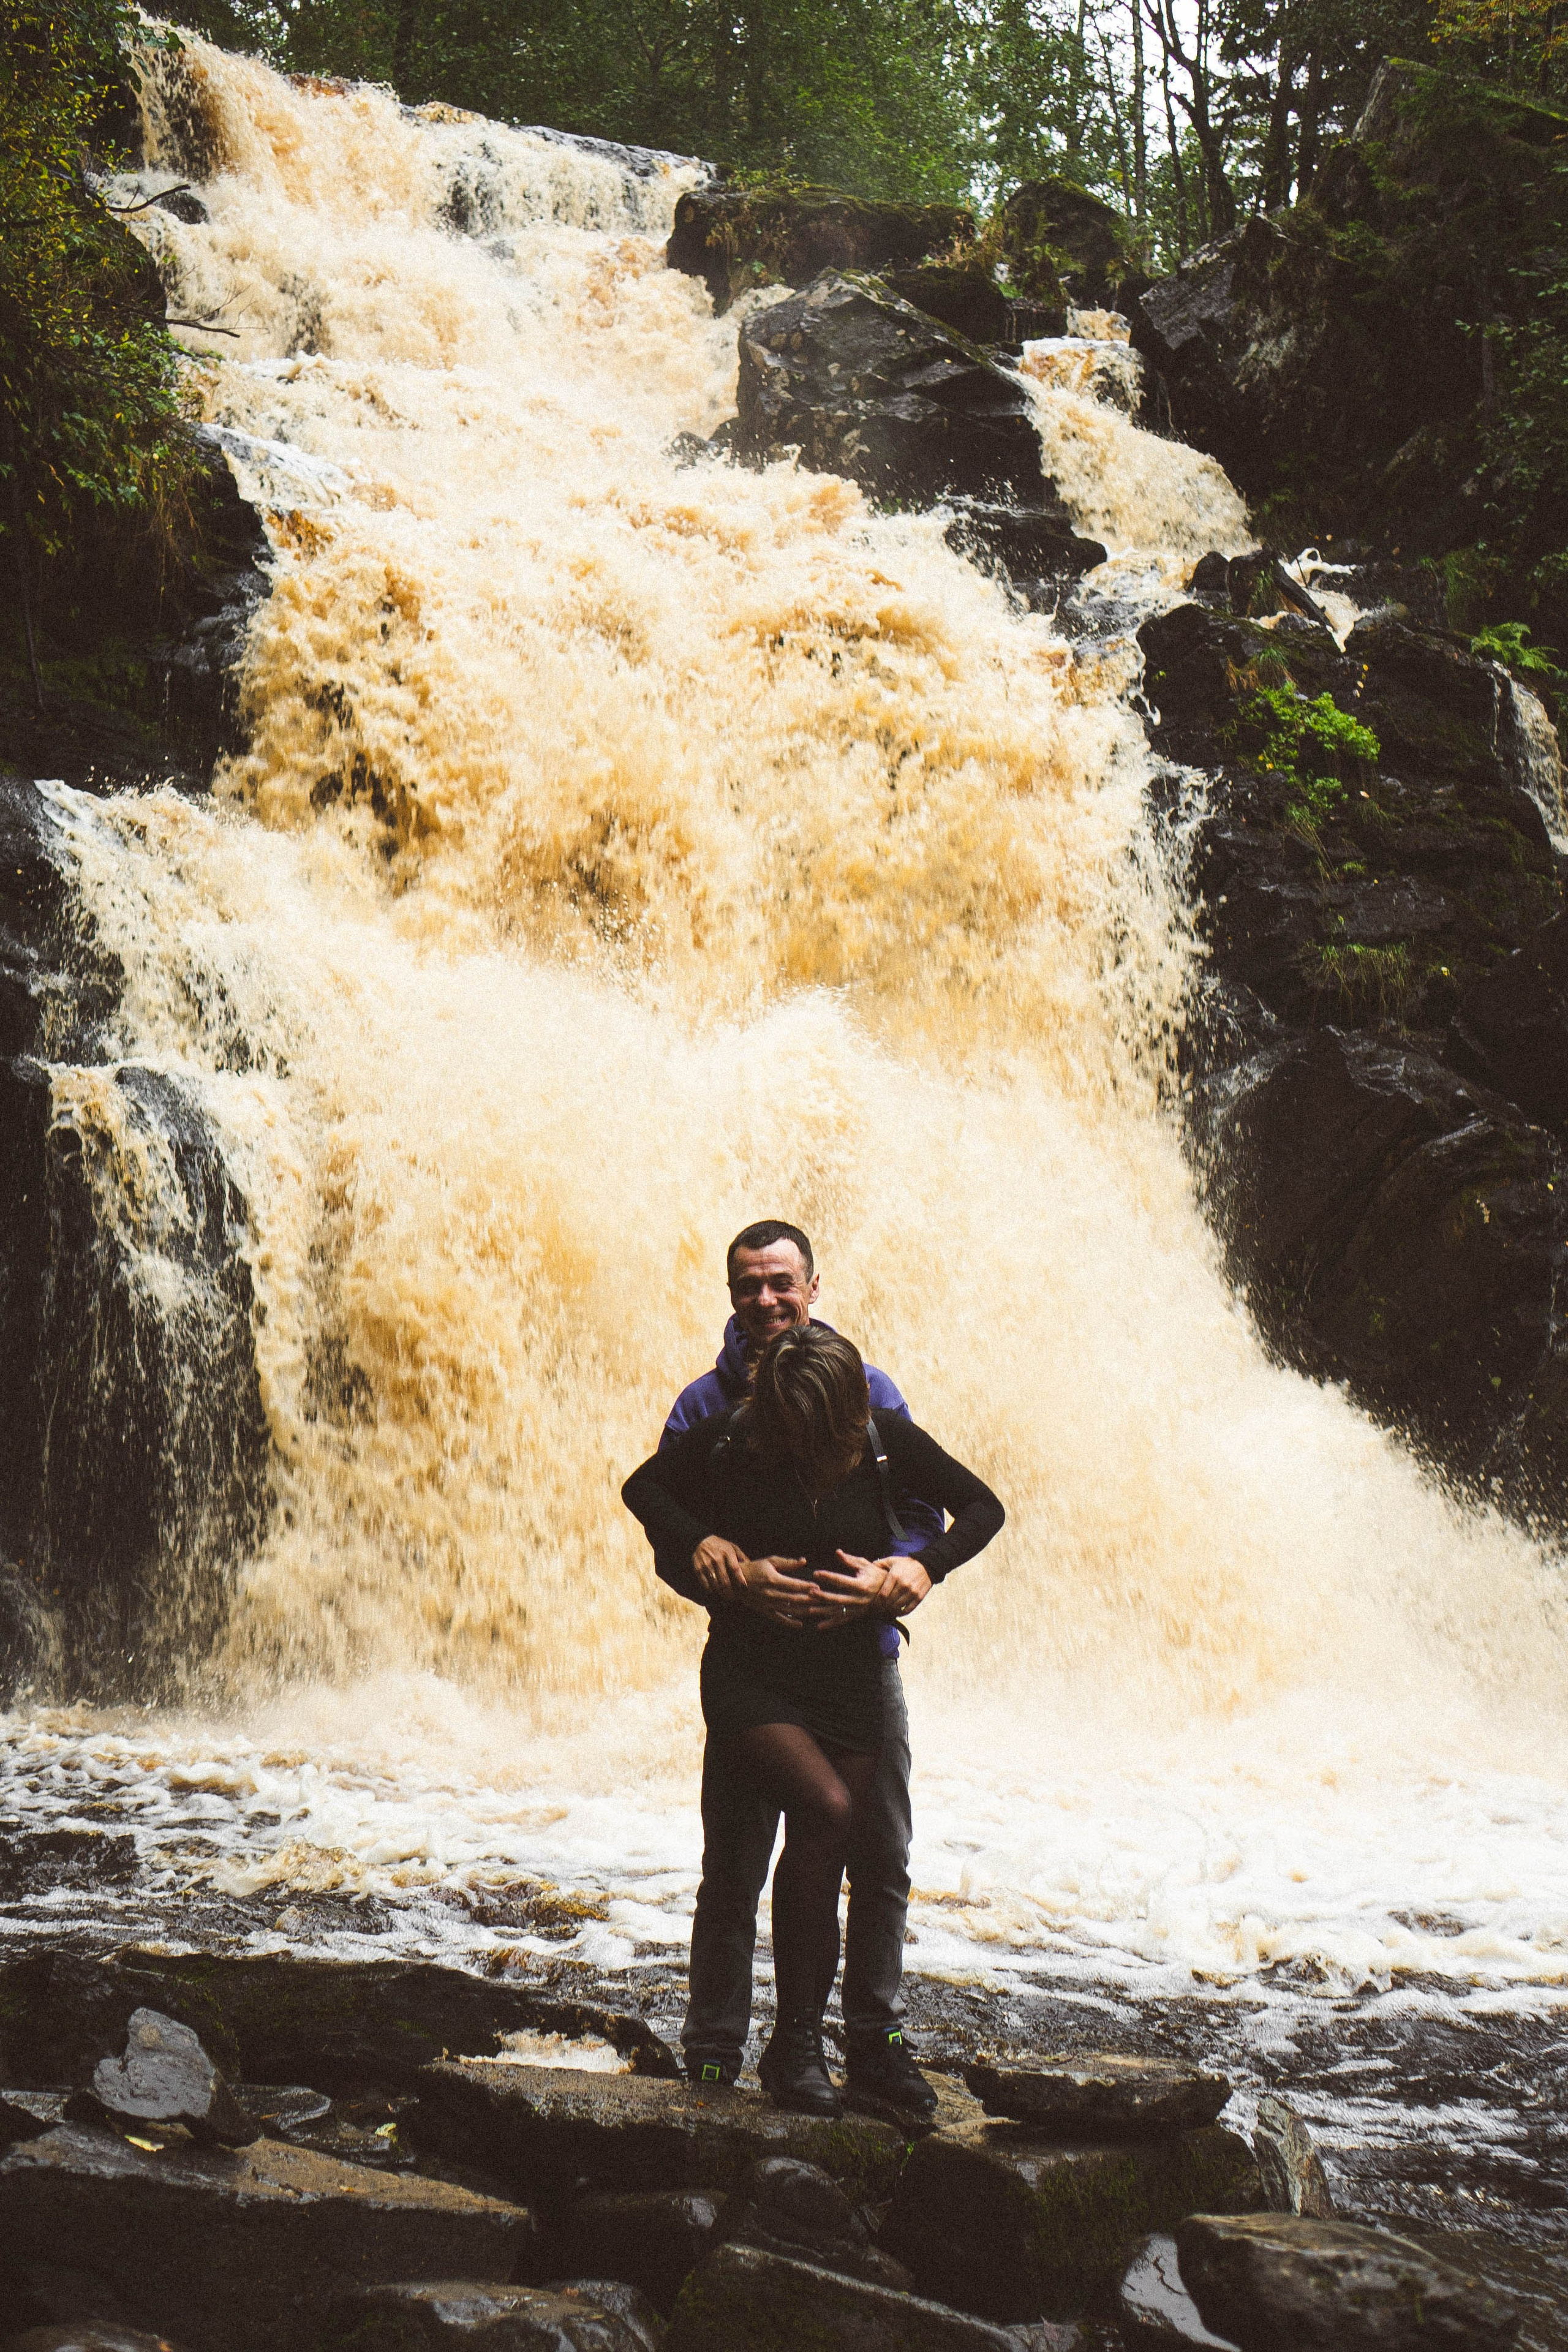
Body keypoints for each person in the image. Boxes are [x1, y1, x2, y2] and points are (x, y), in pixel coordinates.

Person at [624, 1322, 1003, 2117]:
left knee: (841, 1854)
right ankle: (741, 2049)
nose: (836, 1455)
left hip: (852, 1676)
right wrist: (707, 1546)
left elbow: (983, 1506)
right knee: (820, 1813)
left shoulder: (881, 1435)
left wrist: (921, 1567)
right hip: (753, 1674)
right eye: (816, 1442)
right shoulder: (733, 1440)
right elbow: (644, 1491)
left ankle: (805, 2047)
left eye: (840, 1438)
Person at [658, 1220, 941, 2115]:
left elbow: (923, 1510)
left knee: (880, 1858)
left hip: (862, 1667)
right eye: (749, 1285)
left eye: (782, 1282)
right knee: (734, 1867)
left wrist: (901, 1571)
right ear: (731, 1295)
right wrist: (717, 1564)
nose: (767, 1299)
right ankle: (715, 2050)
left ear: (814, 1288)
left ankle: (873, 2042)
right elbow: (667, 1530)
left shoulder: (869, 1393)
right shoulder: (704, 1408)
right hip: (756, 1669)